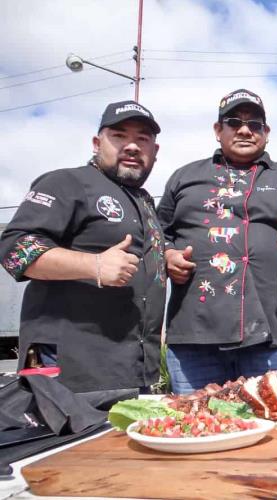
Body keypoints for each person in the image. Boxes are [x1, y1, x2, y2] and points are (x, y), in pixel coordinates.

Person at [157, 88, 277, 394]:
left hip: (269, 340)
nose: (245, 130)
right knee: (195, 429)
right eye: (234, 122)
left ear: (266, 133)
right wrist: (167, 256)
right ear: (218, 131)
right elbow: (155, 234)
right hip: (194, 338)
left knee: (272, 436)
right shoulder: (184, 177)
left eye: (255, 124)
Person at [0, 101, 166, 392]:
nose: (131, 146)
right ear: (96, 143)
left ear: (154, 151)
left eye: (142, 139)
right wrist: (94, 265)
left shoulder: (145, 203)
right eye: (119, 136)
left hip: (133, 375)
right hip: (68, 378)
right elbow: (13, 250)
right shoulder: (66, 182)